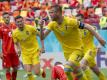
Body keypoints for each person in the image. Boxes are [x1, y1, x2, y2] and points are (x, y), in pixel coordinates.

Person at [39, 4, 106, 80]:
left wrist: (99, 39)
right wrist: (41, 27)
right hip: (67, 53)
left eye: (52, 12)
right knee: (80, 74)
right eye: (49, 12)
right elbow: (42, 37)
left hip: (79, 50)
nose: (49, 15)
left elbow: (88, 26)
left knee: (68, 69)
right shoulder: (52, 25)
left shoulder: (70, 22)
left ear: (58, 13)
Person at [12, 15, 46, 80]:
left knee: (36, 73)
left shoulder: (31, 28)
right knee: (28, 72)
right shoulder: (15, 33)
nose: (20, 23)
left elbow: (41, 36)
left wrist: (43, 47)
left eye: (21, 21)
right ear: (15, 23)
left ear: (23, 21)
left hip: (35, 52)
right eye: (18, 22)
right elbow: (16, 43)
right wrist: (18, 50)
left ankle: (41, 71)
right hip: (25, 54)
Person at [76, 13, 107, 80]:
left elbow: (99, 37)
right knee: (96, 70)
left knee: (82, 65)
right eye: (77, 20)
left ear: (83, 19)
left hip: (91, 50)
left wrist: (99, 46)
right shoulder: (75, 30)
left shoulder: (89, 27)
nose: (78, 21)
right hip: (82, 52)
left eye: (79, 19)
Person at [0, 12, 19, 80]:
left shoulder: (14, 27)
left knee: (15, 68)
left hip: (14, 51)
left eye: (7, 17)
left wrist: (19, 49)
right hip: (6, 52)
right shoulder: (1, 28)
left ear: (9, 18)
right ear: (3, 19)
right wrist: (0, 52)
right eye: (5, 17)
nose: (6, 19)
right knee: (7, 69)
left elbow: (18, 39)